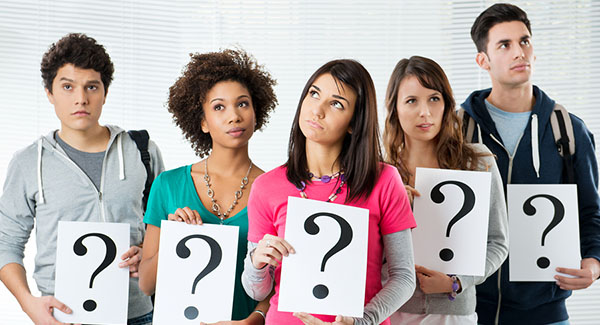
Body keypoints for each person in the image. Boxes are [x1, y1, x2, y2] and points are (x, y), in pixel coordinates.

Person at [0, 33, 163, 325]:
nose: (81, 99)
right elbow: (5, 242)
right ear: (49, 93)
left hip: (138, 314)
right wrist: (28, 304)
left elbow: (161, 227)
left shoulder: (143, 151)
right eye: (67, 87)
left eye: (91, 87)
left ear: (105, 92)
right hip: (63, 316)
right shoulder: (27, 163)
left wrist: (148, 253)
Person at [241, 59, 417, 325]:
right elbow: (258, 290)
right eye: (314, 94)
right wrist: (257, 263)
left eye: (336, 104)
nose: (317, 110)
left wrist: (362, 321)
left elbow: (403, 277)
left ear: (353, 123)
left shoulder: (384, 180)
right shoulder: (266, 186)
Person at [461, 3, 600, 324]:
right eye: (504, 45)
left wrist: (592, 265)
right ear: (483, 60)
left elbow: (591, 211)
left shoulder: (568, 129)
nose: (518, 52)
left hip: (546, 313)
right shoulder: (458, 129)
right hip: (471, 310)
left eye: (524, 41)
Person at [138, 48, 277, 324]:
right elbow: (146, 284)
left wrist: (256, 319)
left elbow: (282, 280)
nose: (234, 116)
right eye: (218, 107)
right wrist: (173, 235)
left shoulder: (275, 188)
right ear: (202, 121)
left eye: (243, 104)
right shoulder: (168, 185)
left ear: (255, 112)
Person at [382, 55, 508, 324]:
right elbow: (365, 251)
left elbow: (497, 242)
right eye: (411, 101)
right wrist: (390, 204)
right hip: (391, 310)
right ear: (394, 108)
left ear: (447, 105)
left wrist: (456, 282)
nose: (424, 112)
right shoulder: (379, 172)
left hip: (454, 313)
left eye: (434, 99)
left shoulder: (477, 162)